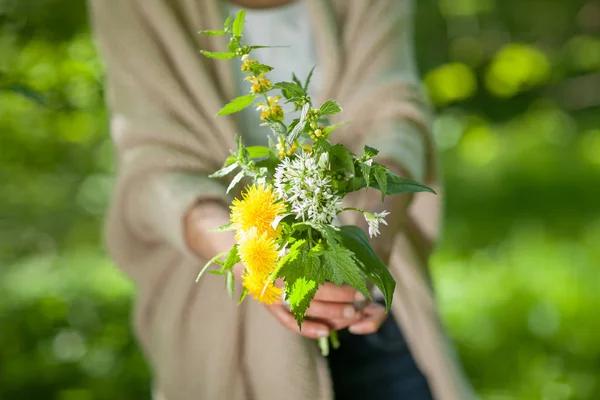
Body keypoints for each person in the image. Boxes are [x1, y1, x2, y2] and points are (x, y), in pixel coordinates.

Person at [89, 0, 475, 399]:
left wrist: (370, 240)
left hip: (370, 315)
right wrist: (241, 253)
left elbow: (395, 116)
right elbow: (152, 168)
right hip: (223, 325)